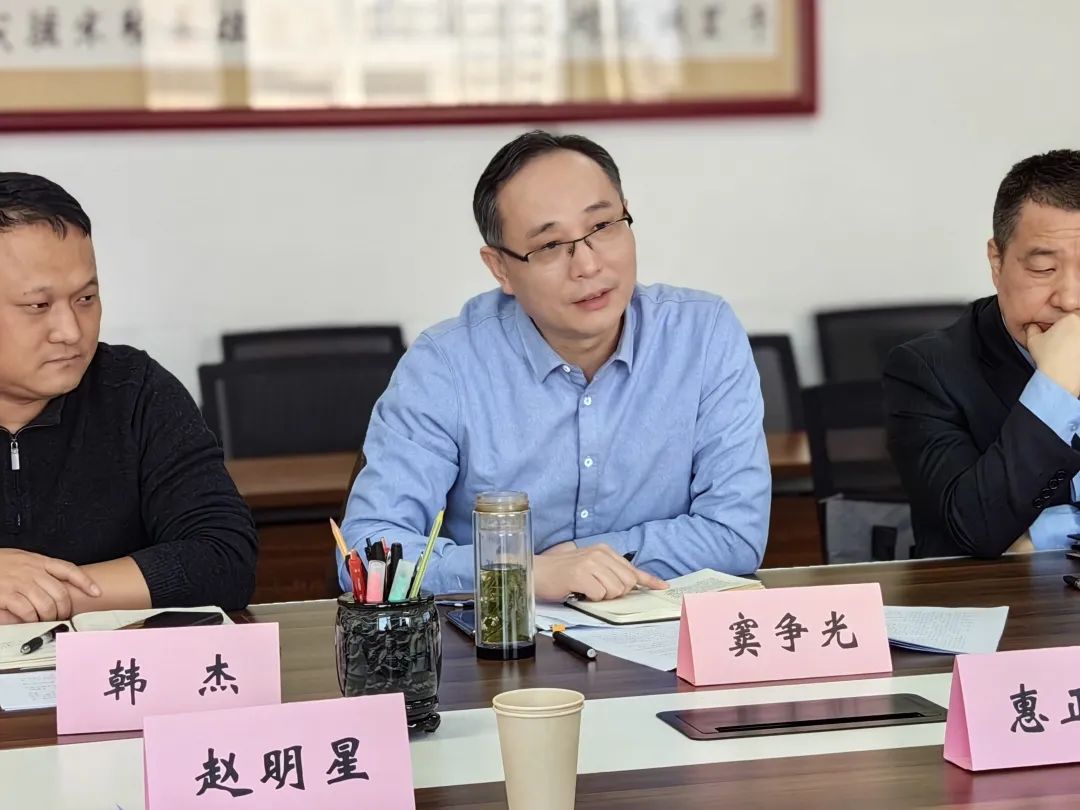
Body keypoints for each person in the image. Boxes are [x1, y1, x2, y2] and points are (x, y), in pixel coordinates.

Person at [341, 131, 770, 601]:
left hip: (662, 636)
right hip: (499, 638)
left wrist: (583, 560)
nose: (586, 264)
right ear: (500, 268)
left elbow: (736, 533)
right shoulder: (444, 365)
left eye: (602, 226)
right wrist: (520, 573)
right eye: (548, 246)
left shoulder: (703, 335)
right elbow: (367, 554)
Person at [0, 172, 258, 624]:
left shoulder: (135, 390)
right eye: (38, 306)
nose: (71, 331)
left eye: (86, 298)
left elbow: (223, 556)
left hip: (112, 665)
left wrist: (40, 597)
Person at [884, 149, 1080, 558]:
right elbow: (974, 529)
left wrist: (1039, 536)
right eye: (1043, 269)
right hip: (1002, 596)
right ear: (997, 261)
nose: (1069, 299)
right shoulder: (927, 371)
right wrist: (1055, 387)